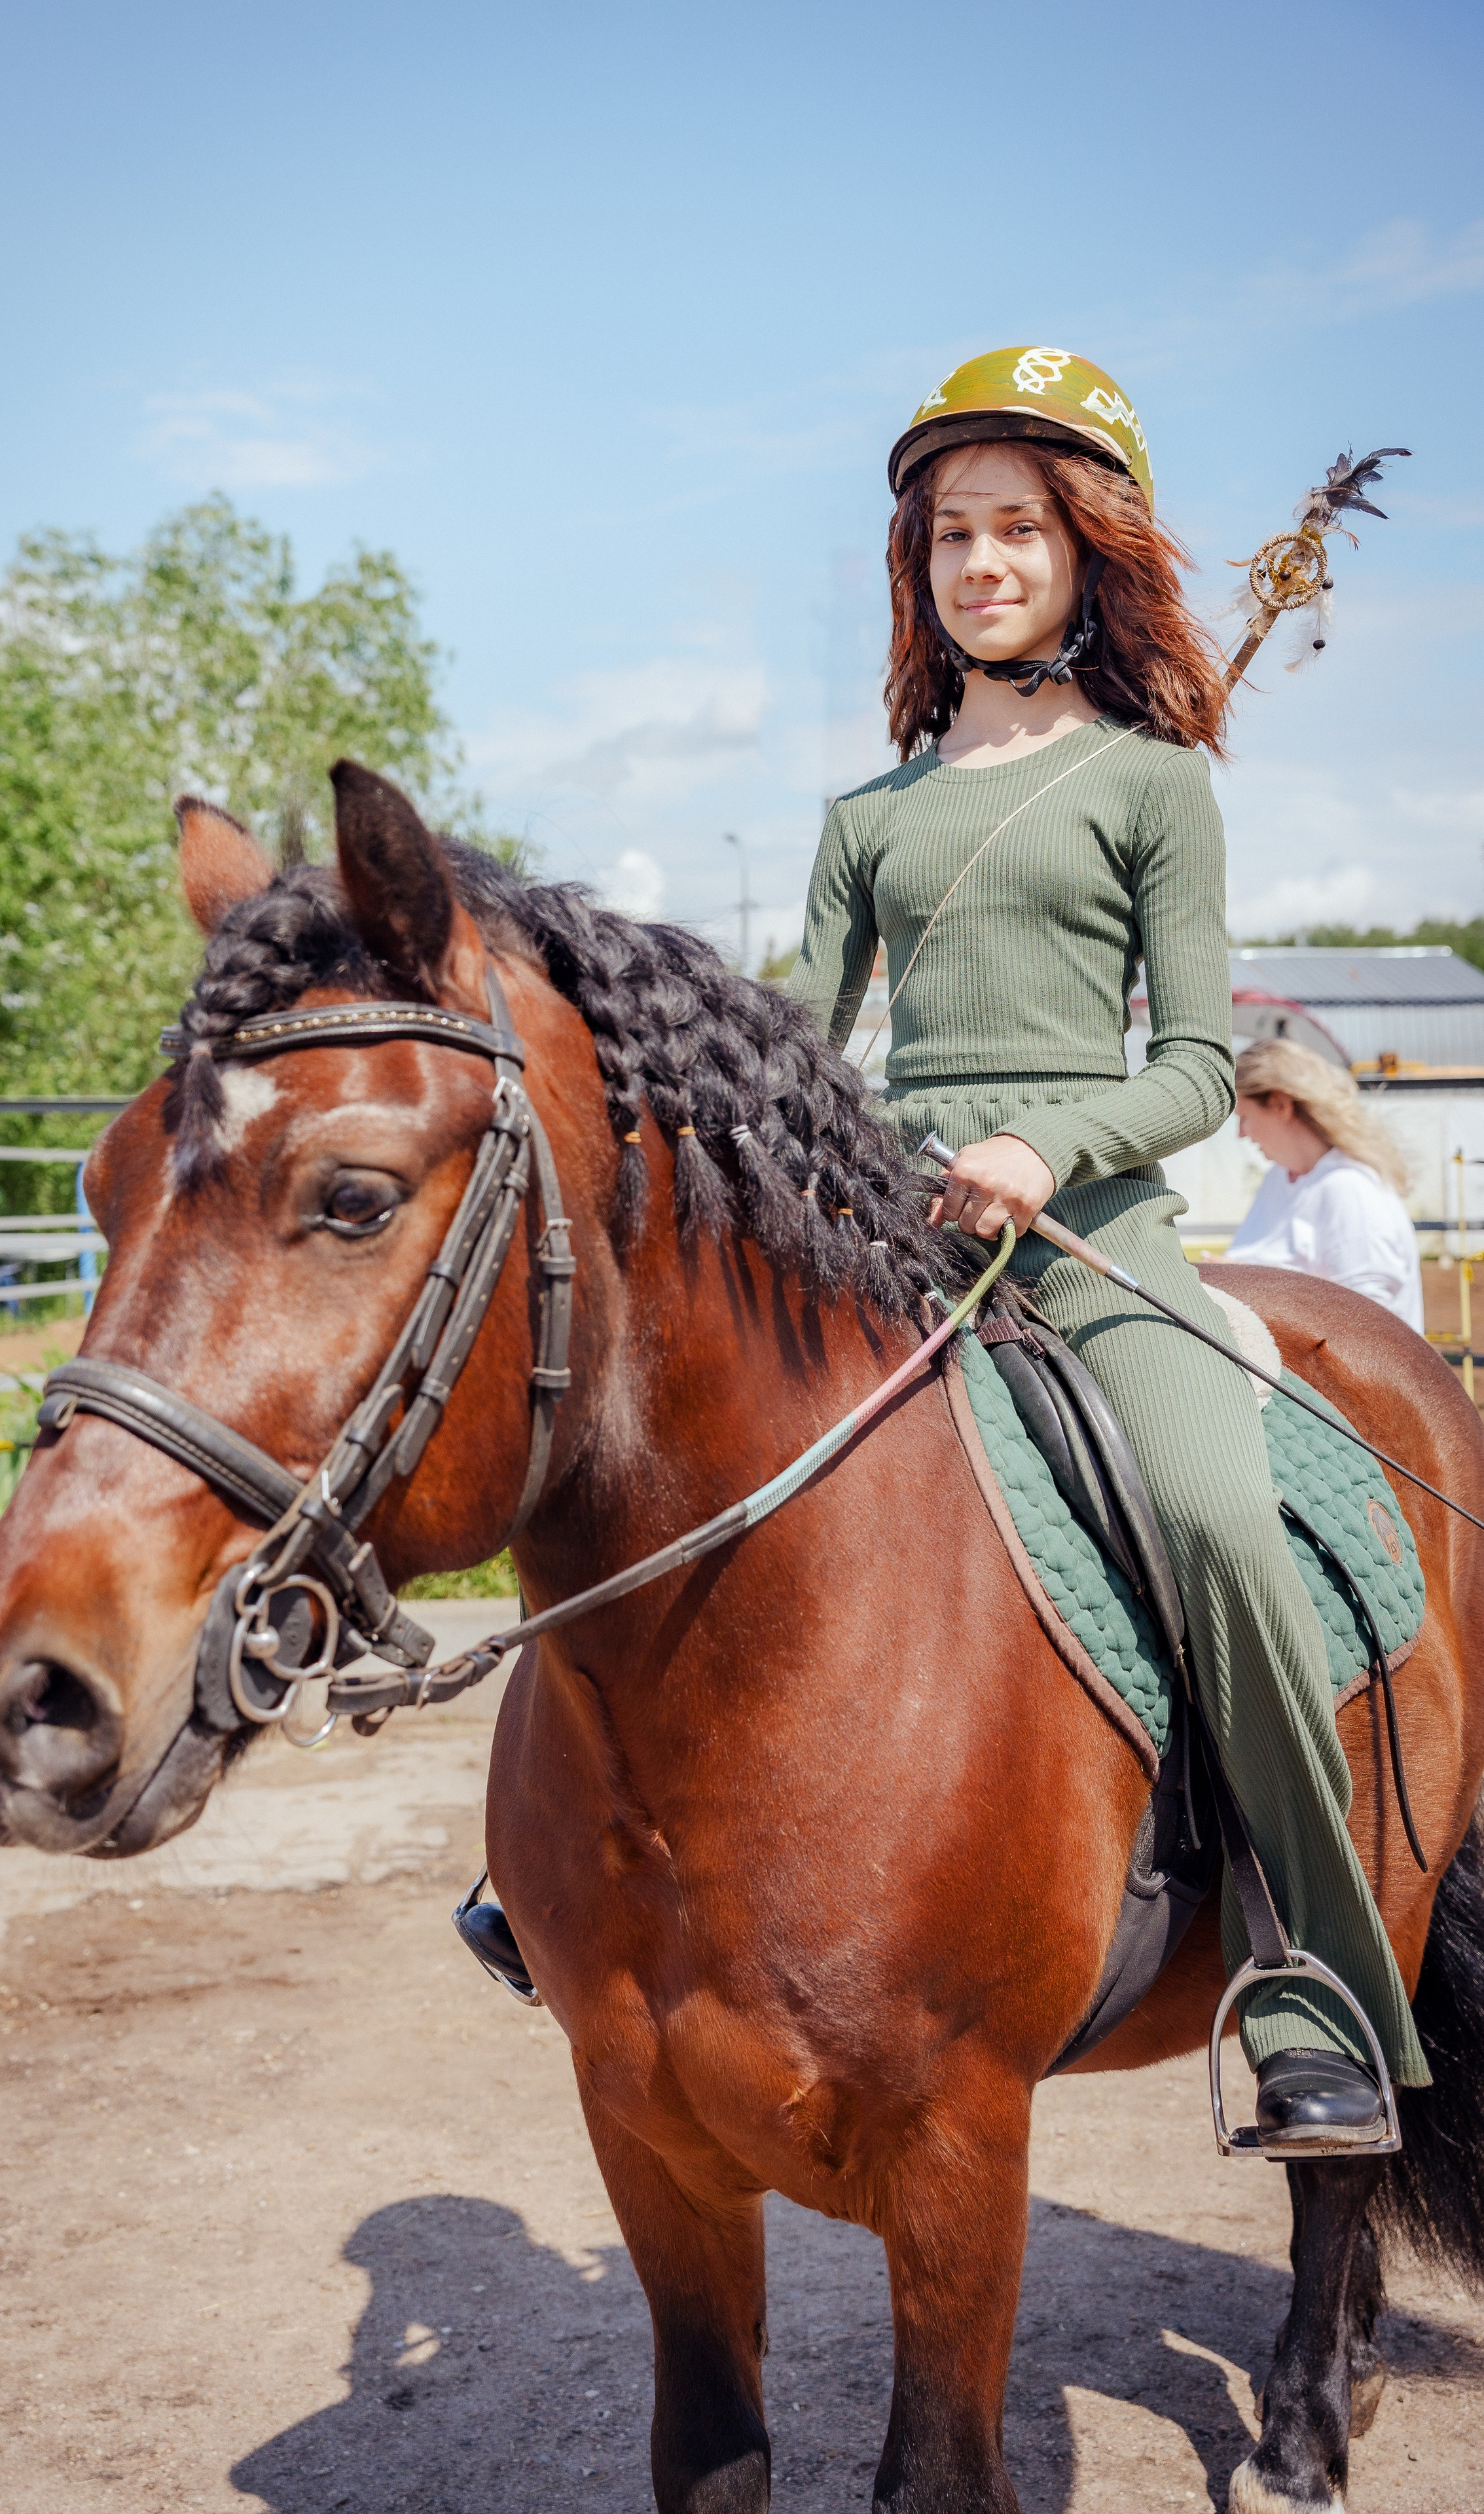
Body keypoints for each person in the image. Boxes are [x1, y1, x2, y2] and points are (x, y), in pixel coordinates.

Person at [786, 345, 1428, 2145]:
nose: (981, 563)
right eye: (951, 536)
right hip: (888, 1233)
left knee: (1223, 1519)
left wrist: (1039, 1141)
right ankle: (568, 1864)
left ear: (1085, 551)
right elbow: (797, 1050)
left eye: (1017, 529)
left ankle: (1314, 1981)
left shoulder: (1158, 786)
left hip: (1098, 1232)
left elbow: (1202, 1069)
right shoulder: (866, 820)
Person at [1225, 1038, 1422, 1330]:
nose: (1242, 1134)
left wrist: (1249, 1284)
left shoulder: (1350, 1190)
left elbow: (1371, 1326)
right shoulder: (1279, 1179)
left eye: (1244, 1117)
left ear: (1280, 1105)